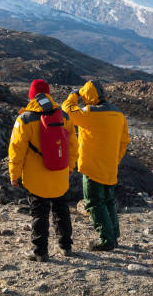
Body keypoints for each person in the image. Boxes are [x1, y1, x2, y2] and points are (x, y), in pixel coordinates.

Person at [9, 79, 78, 262]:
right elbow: (73, 146)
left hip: (36, 177)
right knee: (61, 209)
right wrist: (70, 168)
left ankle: (40, 251)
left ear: (31, 95)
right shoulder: (64, 116)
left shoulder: (24, 119)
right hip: (60, 174)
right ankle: (66, 246)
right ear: (48, 93)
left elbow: (16, 150)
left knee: (39, 212)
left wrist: (14, 175)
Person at [62, 80, 129, 251]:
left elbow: (67, 109)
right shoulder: (119, 114)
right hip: (110, 166)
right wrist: (115, 159)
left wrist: (74, 95)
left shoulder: (89, 113)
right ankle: (114, 236)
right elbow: (124, 141)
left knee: (93, 202)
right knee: (108, 201)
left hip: (92, 166)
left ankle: (106, 240)